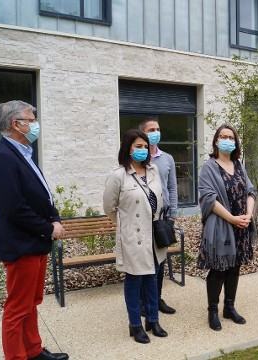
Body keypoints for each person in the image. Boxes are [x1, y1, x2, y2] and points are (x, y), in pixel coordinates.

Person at [0, 100, 69, 360]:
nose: (35, 124)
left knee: (31, 303)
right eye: (31, 119)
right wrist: (48, 228)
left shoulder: (23, 153)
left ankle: (33, 351)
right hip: (21, 245)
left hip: (35, 241)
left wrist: (54, 218)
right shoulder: (2, 157)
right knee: (17, 308)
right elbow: (15, 208)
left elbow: (42, 195)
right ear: (16, 124)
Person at [103, 129, 169, 344]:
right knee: (134, 280)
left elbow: (159, 200)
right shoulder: (118, 175)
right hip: (133, 236)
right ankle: (135, 324)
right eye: (137, 146)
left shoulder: (153, 171)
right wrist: (128, 225)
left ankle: (153, 320)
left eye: (144, 146)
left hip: (154, 235)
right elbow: (110, 208)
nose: (142, 150)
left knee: (152, 277)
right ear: (128, 148)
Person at [197, 124, 257, 331]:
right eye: (223, 136)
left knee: (235, 267)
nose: (227, 140)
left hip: (241, 225)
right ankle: (212, 311)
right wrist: (232, 218)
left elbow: (250, 191)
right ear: (216, 141)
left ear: (236, 141)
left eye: (231, 137)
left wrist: (248, 215)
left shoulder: (239, 165)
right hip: (222, 225)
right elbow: (208, 198)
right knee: (218, 269)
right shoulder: (209, 167)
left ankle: (229, 307)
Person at [139, 116, 178, 315]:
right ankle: (144, 302)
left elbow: (172, 187)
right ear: (143, 134)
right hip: (143, 218)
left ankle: (157, 299)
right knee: (146, 262)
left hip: (163, 218)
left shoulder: (167, 158)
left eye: (158, 129)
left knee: (160, 261)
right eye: (151, 129)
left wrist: (173, 215)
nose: (156, 133)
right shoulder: (138, 158)